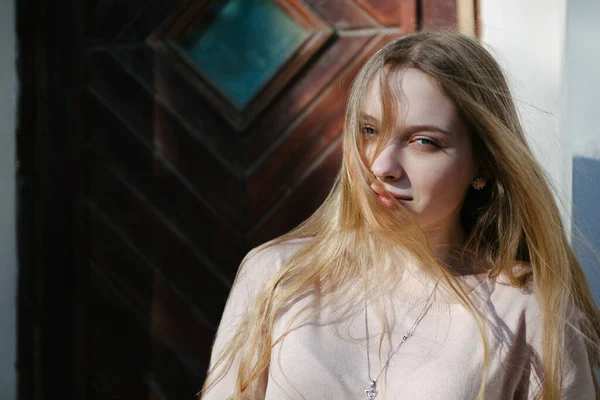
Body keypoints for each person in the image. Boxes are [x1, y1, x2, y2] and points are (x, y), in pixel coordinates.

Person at [200, 31, 600, 399]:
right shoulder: (279, 277)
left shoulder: (528, 310)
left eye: (424, 141)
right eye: (370, 131)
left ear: (484, 164)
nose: (381, 166)